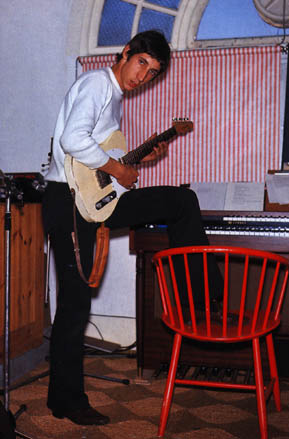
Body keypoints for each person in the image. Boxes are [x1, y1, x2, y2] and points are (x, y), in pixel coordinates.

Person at [42, 30, 223, 426]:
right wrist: (118, 167)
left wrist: (136, 162)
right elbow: (73, 140)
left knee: (181, 201)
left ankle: (202, 301)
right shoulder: (97, 83)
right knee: (75, 306)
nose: (144, 76)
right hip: (67, 202)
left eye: (153, 72)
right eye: (142, 63)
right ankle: (67, 401)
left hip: (92, 199)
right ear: (125, 53)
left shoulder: (115, 99)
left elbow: (102, 167)